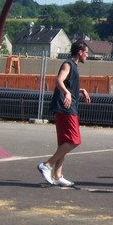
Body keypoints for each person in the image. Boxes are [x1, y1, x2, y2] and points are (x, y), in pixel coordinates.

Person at [37, 40, 91, 187]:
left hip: (66, 107)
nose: (87, 55)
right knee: (74, 140)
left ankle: (57, 175)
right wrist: (67, 93)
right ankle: (47, 165)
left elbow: (68, 84)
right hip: (65, 107)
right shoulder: (68, 64)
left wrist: (81, 90)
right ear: (80, 52)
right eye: (86, 52)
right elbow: (59, 80)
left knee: (63, 142)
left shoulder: (74, 66)